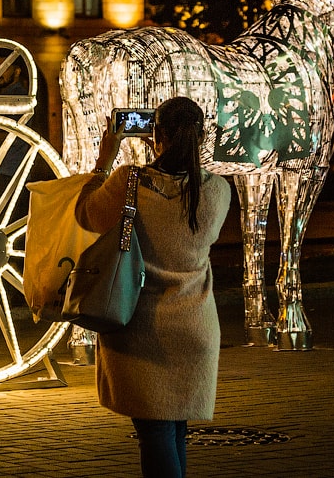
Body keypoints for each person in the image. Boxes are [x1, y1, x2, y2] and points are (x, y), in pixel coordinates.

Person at [76, 97, 231, 478]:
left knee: (155, 432)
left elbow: (87, 215)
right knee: (174, 428)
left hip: (140, 329)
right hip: (196, 327)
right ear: (203, 136)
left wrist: (105, 159)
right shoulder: (218, 191)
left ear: (155, 135)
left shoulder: (129, 181)